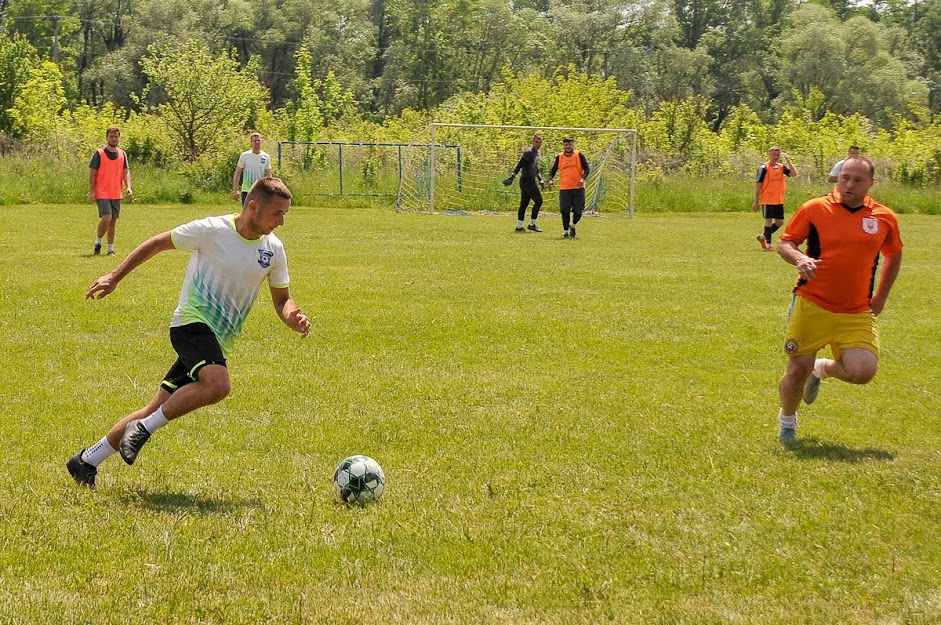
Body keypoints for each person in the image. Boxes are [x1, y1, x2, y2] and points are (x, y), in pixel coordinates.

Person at [67, 177, 311, 490]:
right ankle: (143, 430)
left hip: (218, 340)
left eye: (284, 214)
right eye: (277, 214)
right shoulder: (212, 230)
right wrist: (114, 276)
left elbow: (282, 299)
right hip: (190, 325)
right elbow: (158, 243)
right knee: (218, 384)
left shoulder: (273, 250)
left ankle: (86, 461)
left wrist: (292, 317)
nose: (281, 222)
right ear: (253, 207)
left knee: (154, 408)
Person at [773, 156, 903, 443]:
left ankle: (821, 369)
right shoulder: (815, 208)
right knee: (796, 369)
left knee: (863, 371)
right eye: (844, 178)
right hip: (812, 302)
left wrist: (881, 295)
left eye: (857, 180)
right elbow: (785, 243)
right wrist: (800, 258)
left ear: (871, 183)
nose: (849, 185)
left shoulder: (883, 217)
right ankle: (787, 423)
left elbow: (894, 253)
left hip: (855, 310)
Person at [89, 127, 133, 256]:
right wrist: (92, 191)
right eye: (111, 136)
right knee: (106, 218)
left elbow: (126, 172)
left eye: (116, 137)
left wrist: (128, 187)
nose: (114, 139)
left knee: (113, 221)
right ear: (107, 138)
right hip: (102, 192)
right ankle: (98, 242)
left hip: (116, 192)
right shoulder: (99, 154)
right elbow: (92, 173)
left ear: (119, 138)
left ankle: (110, 249)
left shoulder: (122, 154)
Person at [752, 146, 796, 251]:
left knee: (780, 222)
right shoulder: (764, 168)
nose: (776, 157)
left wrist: (788, 160)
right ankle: (769, 244)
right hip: (767, 199)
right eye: (774, 155)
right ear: (769, 154)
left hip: (778, 199)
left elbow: (793, 174)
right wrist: (756, 202)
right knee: (768, 220)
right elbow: (758, 185)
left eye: (778, 155)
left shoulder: (781, 167)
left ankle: (763, 236)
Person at [545, 137, 590, 239]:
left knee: (578, 212)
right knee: (565, 211)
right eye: (566, 144)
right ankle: (565, 233)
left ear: (573, 145)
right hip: (564, 189)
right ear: (563, 145)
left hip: (578, 188)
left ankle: (572, 225)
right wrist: (550, 179)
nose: (568, 146)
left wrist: (582, 179)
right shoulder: (560, 157)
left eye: (569, 144)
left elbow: (587, 169)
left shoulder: (579, 155)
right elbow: (553, 170)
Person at [504, 135, 546, 232]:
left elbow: (535, 168)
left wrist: (540, 180)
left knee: (524, 203)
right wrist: (512, 177)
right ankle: (532, 224)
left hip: (528, 180)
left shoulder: (536, 153)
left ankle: (519, 226)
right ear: (533, 141)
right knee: (539, 201)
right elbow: (520, 165)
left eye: (540, 142)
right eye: (536, 142)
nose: (538, 144)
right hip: (527, 180)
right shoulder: (529, 152)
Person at [232, 131, 273, 206]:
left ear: (261, 141)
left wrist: (270, 190)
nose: (257, 142)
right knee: (247, 215)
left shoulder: (266, 156)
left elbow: (269, 175)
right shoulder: (244, 155)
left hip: (260, 191)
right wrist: (235, 190)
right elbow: (238, 173)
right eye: (254, 141)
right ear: (251, 142)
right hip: (247, 190)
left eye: (258, 140)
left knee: (259, 214)